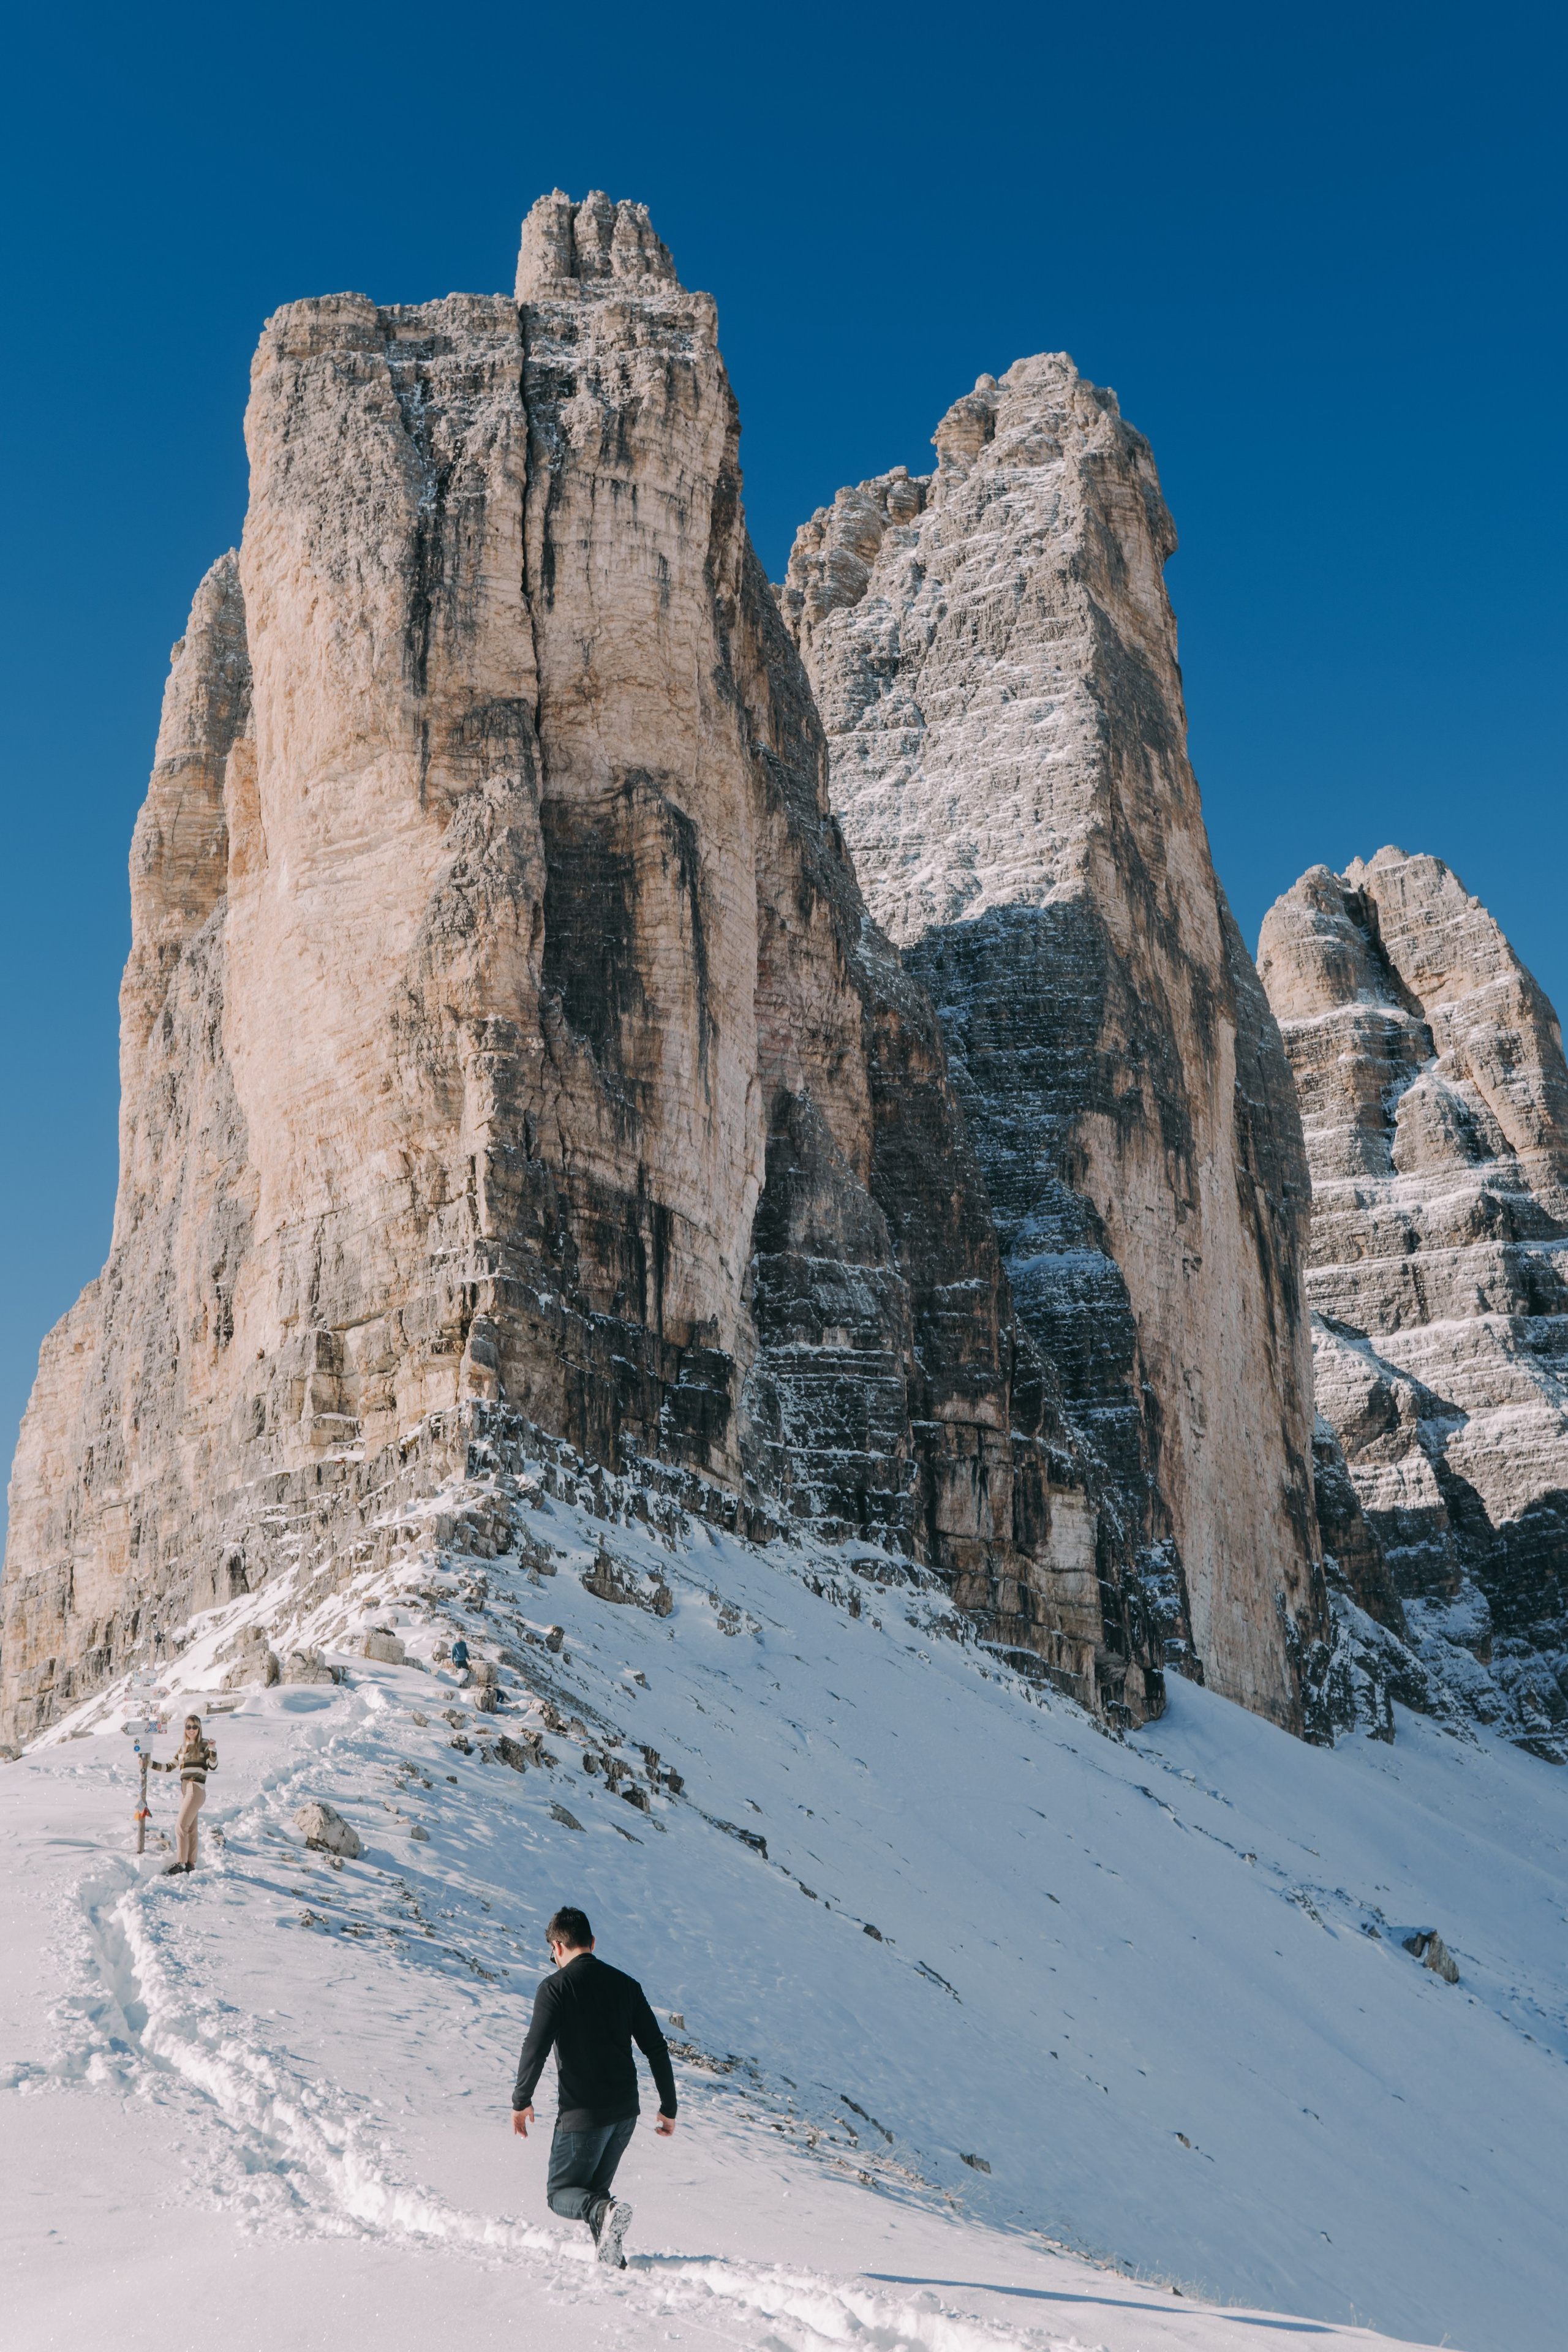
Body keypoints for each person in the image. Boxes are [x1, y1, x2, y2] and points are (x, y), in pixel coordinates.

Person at [511, 1906, 677, 2267]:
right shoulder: (627, 1986)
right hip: (624, 2115)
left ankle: (603, 2217)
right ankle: (611, 2264)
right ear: (592, 1943)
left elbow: (535, 2048)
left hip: (583, 2116)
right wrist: (669, 2107)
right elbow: (656, 2048)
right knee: (598, 2197)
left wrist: (522, 2099)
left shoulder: (555, 1988)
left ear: (557, 1946)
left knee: (561, 2195)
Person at [148, 1713, 217, 1873]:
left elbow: (212, 1765)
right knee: (191, 1829)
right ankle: (190, 1864)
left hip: (196, 1788)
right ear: (185, 1729)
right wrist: (148, 1763)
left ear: (199, 1728)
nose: (191, 1730)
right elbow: (168, 1767)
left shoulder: (205, 1745)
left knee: (180, 1827)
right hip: (186, 1791)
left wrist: (213, 1750)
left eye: (195, 1727)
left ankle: (180, 1863)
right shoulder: (183, 1748)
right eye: (188, 1727)